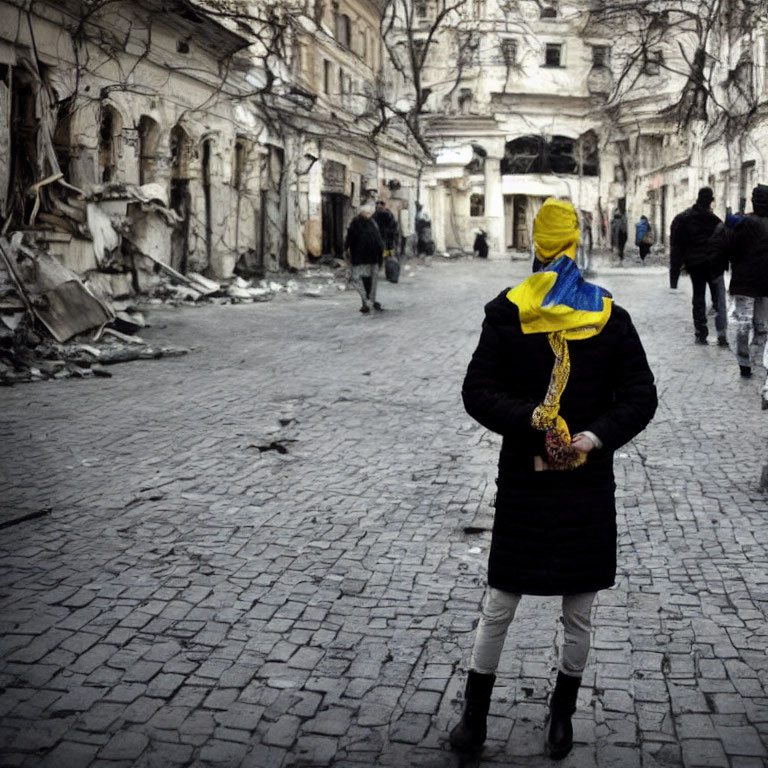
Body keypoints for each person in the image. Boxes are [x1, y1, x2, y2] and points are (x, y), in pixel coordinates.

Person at [452, 198, 657, 760]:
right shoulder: (570, 315)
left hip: (568, 485)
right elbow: (640, 399)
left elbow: (639, 396)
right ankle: (540, 718)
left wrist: (585, 435)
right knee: (572, 611)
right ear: (576, 246)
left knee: (503, 604)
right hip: (542, 483)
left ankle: (490, 720)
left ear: (536, 247)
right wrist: (553, 426)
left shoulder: (581, 317)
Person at [709, 184, 768, 407]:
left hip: (744, 282)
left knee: (744, 323)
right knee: (761, 326)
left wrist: (719, 266)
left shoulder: (740, 222)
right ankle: (755, 360)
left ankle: (745, 363)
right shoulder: (744, 223)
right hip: (764, 284)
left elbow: (722, 244)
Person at [669, 187, 727, 345]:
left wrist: (673, 276)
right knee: (719, 299)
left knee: (698, 296)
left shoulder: (683, 218)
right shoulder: (715, 221)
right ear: (710, 202)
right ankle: (722, 335)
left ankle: (701, 332)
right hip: (714, 265)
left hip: (695, 265)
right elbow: (725, 244)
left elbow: (676, 248)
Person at [344, 203, 384, 313]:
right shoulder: (372, 224)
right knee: (370, 282)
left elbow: (348, 240)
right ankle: (369, 301)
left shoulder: (354, 224)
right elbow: (379, 242)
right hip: (372, 259)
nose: (369, 214)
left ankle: (366, 302)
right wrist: (380, 258)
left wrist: (346, 250)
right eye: (367, 213)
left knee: (357, 280)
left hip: (359, 259)